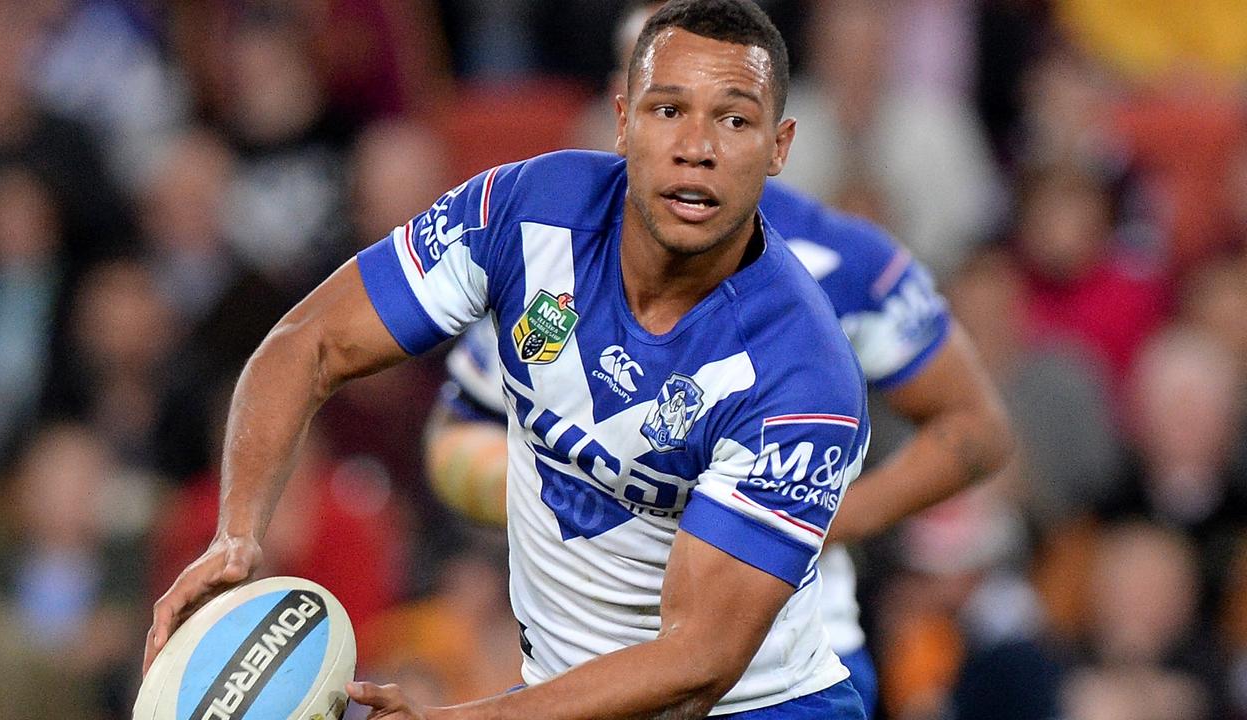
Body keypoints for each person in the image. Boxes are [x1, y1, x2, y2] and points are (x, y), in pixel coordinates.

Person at [147, 1, 873, 717]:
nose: (697, 146)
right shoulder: (523, 211)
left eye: (735, 119)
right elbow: (307, 343)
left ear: (779, 148)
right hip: (562, 698)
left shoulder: (803, 376)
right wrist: (236, 537)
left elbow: (694, 667)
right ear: (622, 121)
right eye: (668, 110)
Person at [427, 2, 1015, 717]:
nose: (688, 127)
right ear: (623, 99)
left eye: (721, 104)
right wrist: (562, 484)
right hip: (593, 660)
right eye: (658, 90)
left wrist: (837, 516)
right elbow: (453, 437)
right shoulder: (546, 253)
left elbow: (978, 429)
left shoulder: (845, 259)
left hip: (787, 658)